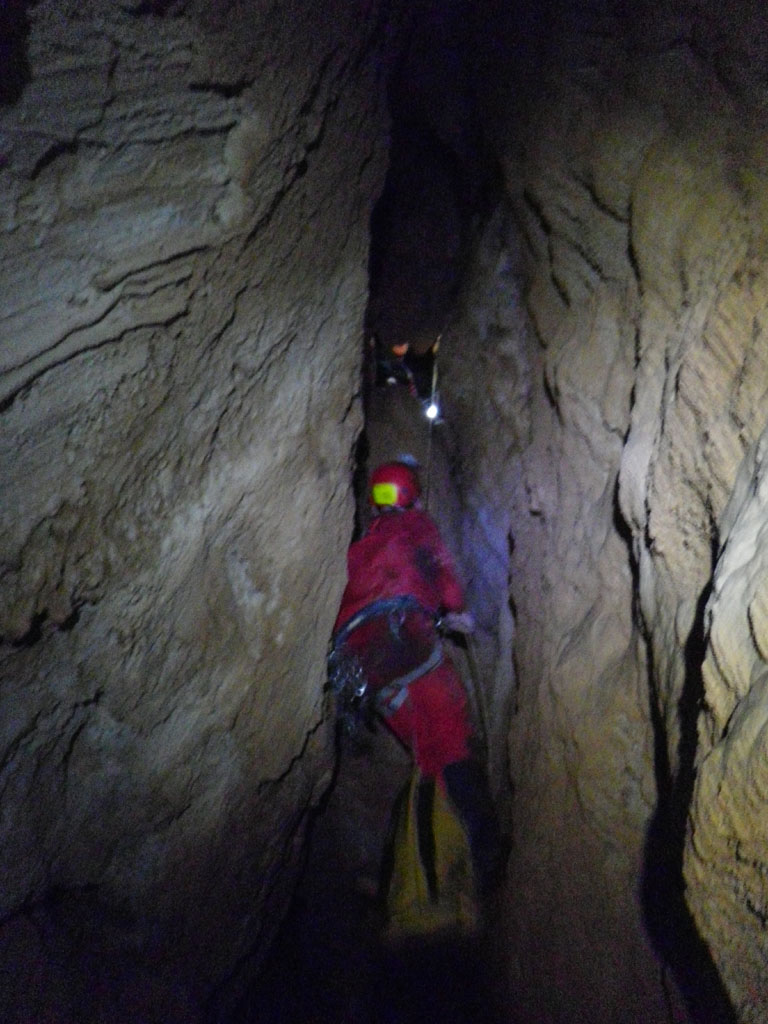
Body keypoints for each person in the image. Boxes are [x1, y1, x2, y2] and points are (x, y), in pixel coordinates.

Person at [331, 458, 504, 896]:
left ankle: (406, 877)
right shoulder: (416, 526)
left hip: (364, 665)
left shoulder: (361, 548)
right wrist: (458, 612)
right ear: (411, 495)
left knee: (426, 757)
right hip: (404, 639)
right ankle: (485, 853)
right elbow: (442, 578)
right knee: (451, 741)